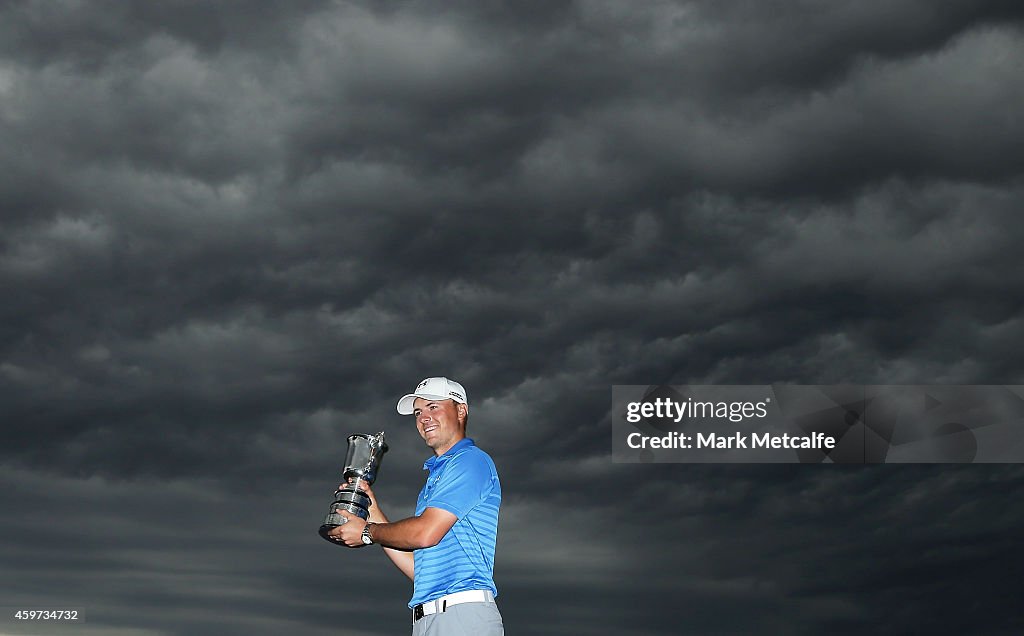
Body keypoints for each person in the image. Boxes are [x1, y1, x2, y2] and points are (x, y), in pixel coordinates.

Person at [328, 377, 503, 635]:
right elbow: (419, 571)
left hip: (462, 616)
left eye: (433, 407)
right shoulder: (438, 476)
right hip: (428, 619)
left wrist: (367, 532)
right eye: (418, 412)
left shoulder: (470, 461)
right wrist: (372, 508)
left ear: (461, 411)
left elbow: (424, 533)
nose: (423, 418)